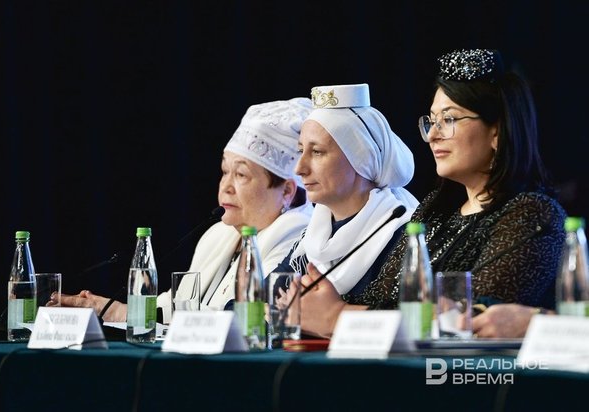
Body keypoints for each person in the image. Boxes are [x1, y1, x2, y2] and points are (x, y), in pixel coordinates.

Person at [300, 49, 567, 338]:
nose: (433, 135)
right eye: (431, 121)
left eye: (449, 120)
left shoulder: (533, 214)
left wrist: (336, 316)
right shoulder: (434, 212)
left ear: (496, 132)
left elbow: (467, 321)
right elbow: (379, 300)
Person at [60, 97, 314, 322]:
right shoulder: (217, 235)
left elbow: (246, 317)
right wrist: (110, 310)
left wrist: (122, 313)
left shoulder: (298, 242)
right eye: (224, 171)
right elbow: (176, 306)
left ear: (287, 192)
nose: (226, 187)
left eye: (241, 175)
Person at [273, 83, 419, 300]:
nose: (299, 169)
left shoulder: (401, 234)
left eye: (317, 152)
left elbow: (402, 314)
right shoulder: (312, 236)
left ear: (362, 159)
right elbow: (255, 301)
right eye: (301, 150)